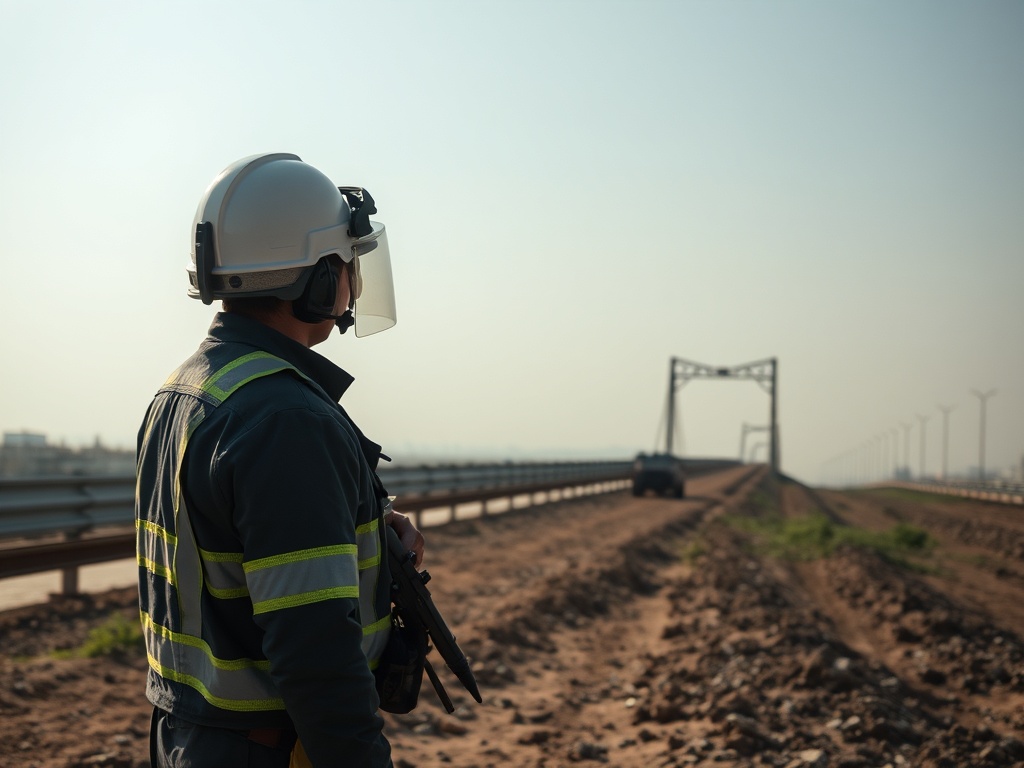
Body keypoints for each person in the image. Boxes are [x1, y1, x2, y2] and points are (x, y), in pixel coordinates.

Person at [135, 153, 424, 767]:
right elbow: (316, 653)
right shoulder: (286, 420)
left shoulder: (184, 392)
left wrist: (367, 525)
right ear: (319, 279)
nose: (353, 280)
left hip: (189, 736)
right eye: (346, 263)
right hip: (266, 749)